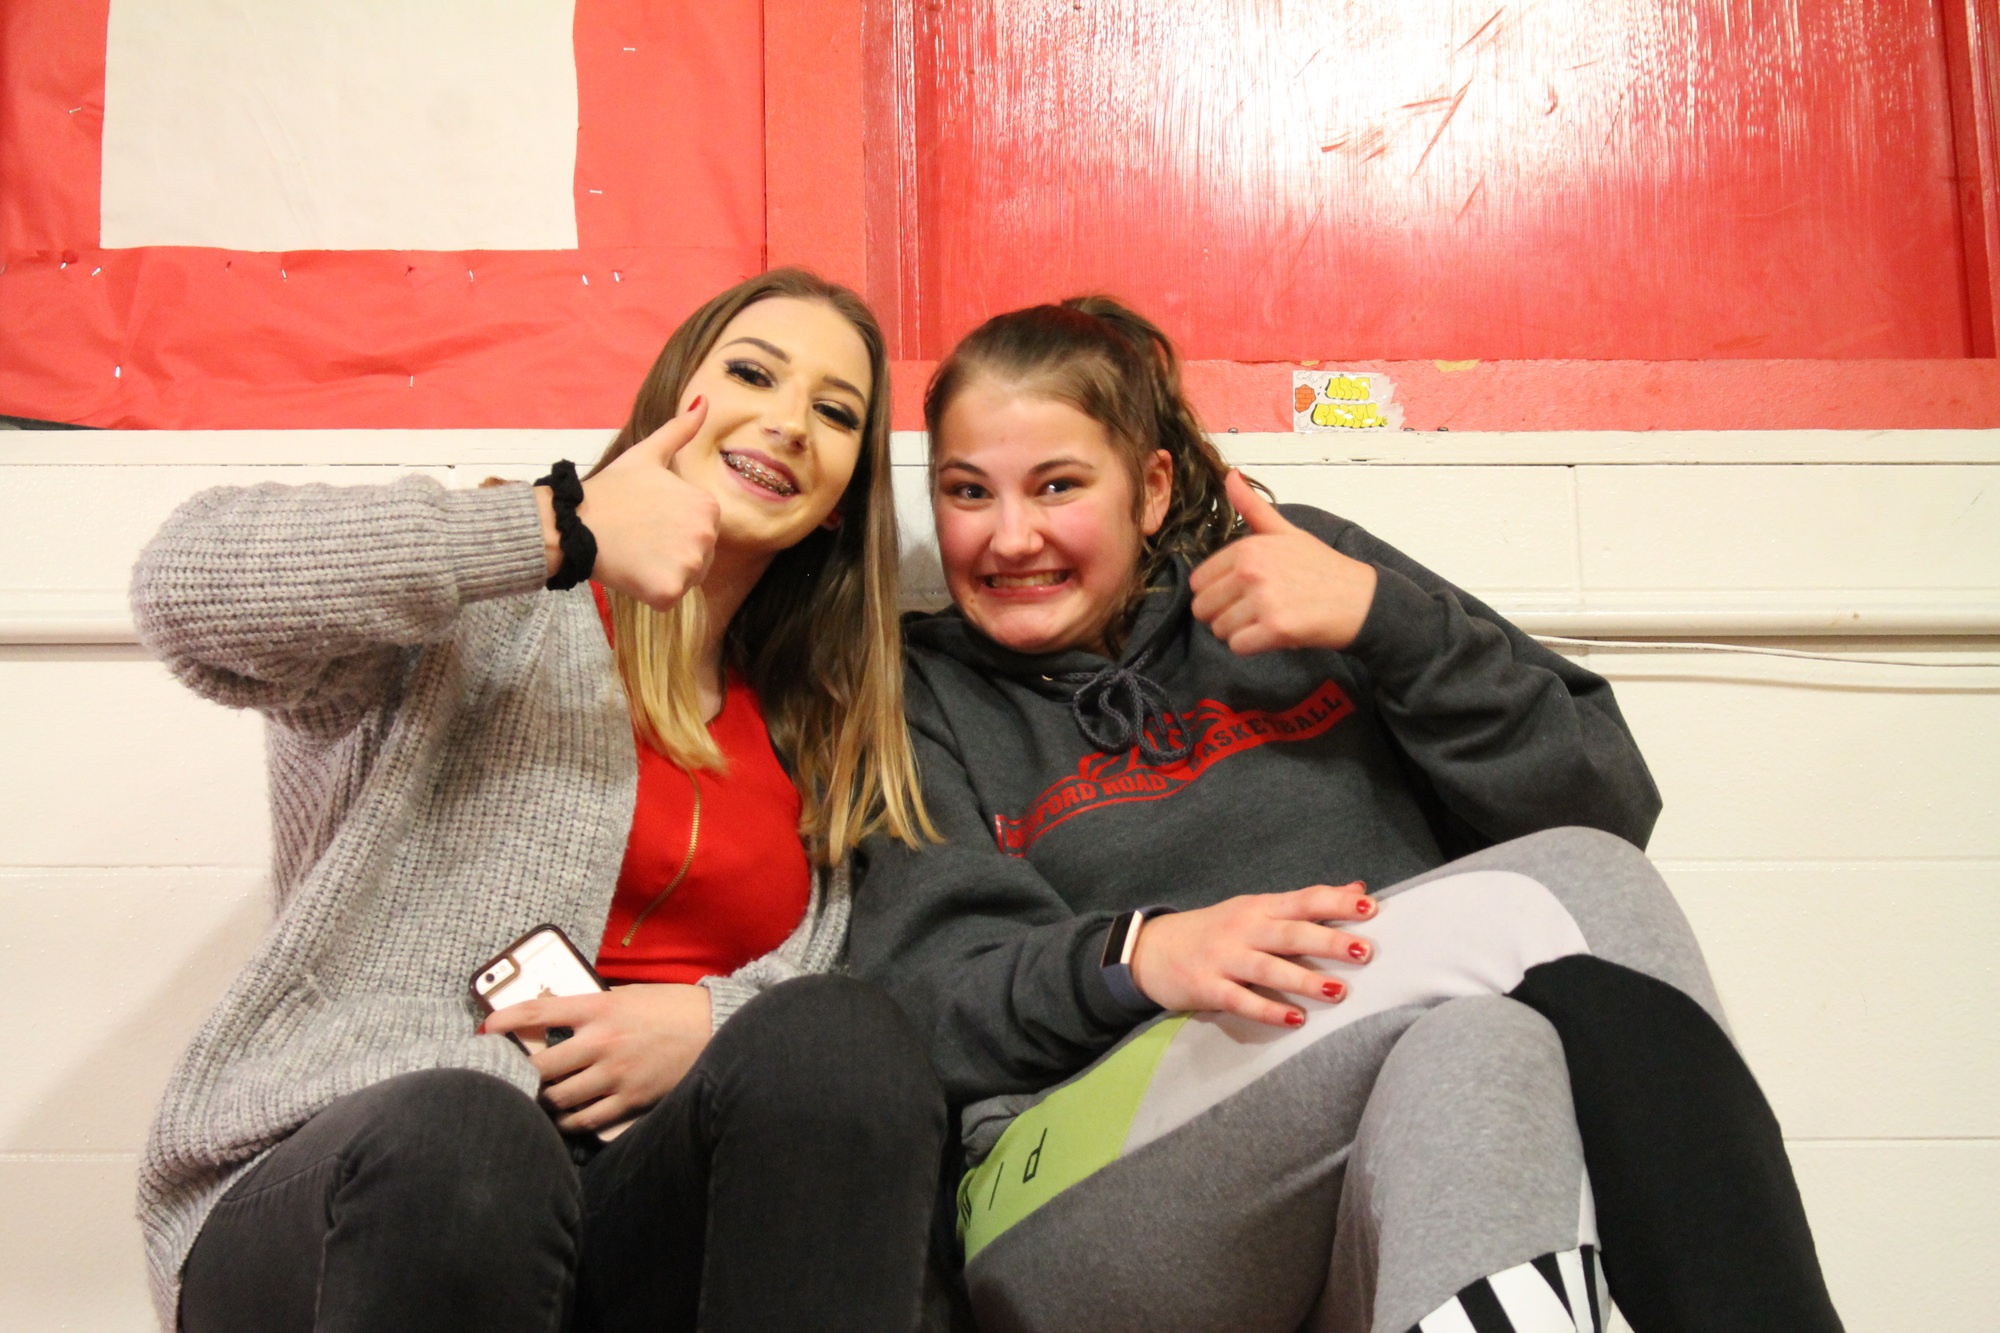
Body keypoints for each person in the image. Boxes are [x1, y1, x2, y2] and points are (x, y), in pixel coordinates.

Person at [848, 297, 1844, 1333]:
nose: (1009, 536)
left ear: (1150, 489)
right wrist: (1136, 954)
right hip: (1070, 1199)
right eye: (967, 491)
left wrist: (1387, 623)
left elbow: (1603, 796)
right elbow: (921, 1000)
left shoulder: (1295, 568)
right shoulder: (917, 697)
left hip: (1351, 1177)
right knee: (1581, 889)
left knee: (1482, 1055)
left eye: (1056, 485)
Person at [133, 269, 948, 1333]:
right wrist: (558, 528)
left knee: (843, 1041)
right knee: (473, 1137)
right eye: (754, 374)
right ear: (676, 397)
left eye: (835, 413)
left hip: (624, 1206)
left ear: (840, 498)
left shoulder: (815, 730)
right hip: (362, 1183)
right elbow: (183, 587)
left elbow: (827, 1018)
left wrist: (710, 1021)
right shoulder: (488, 601)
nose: (789, 421)